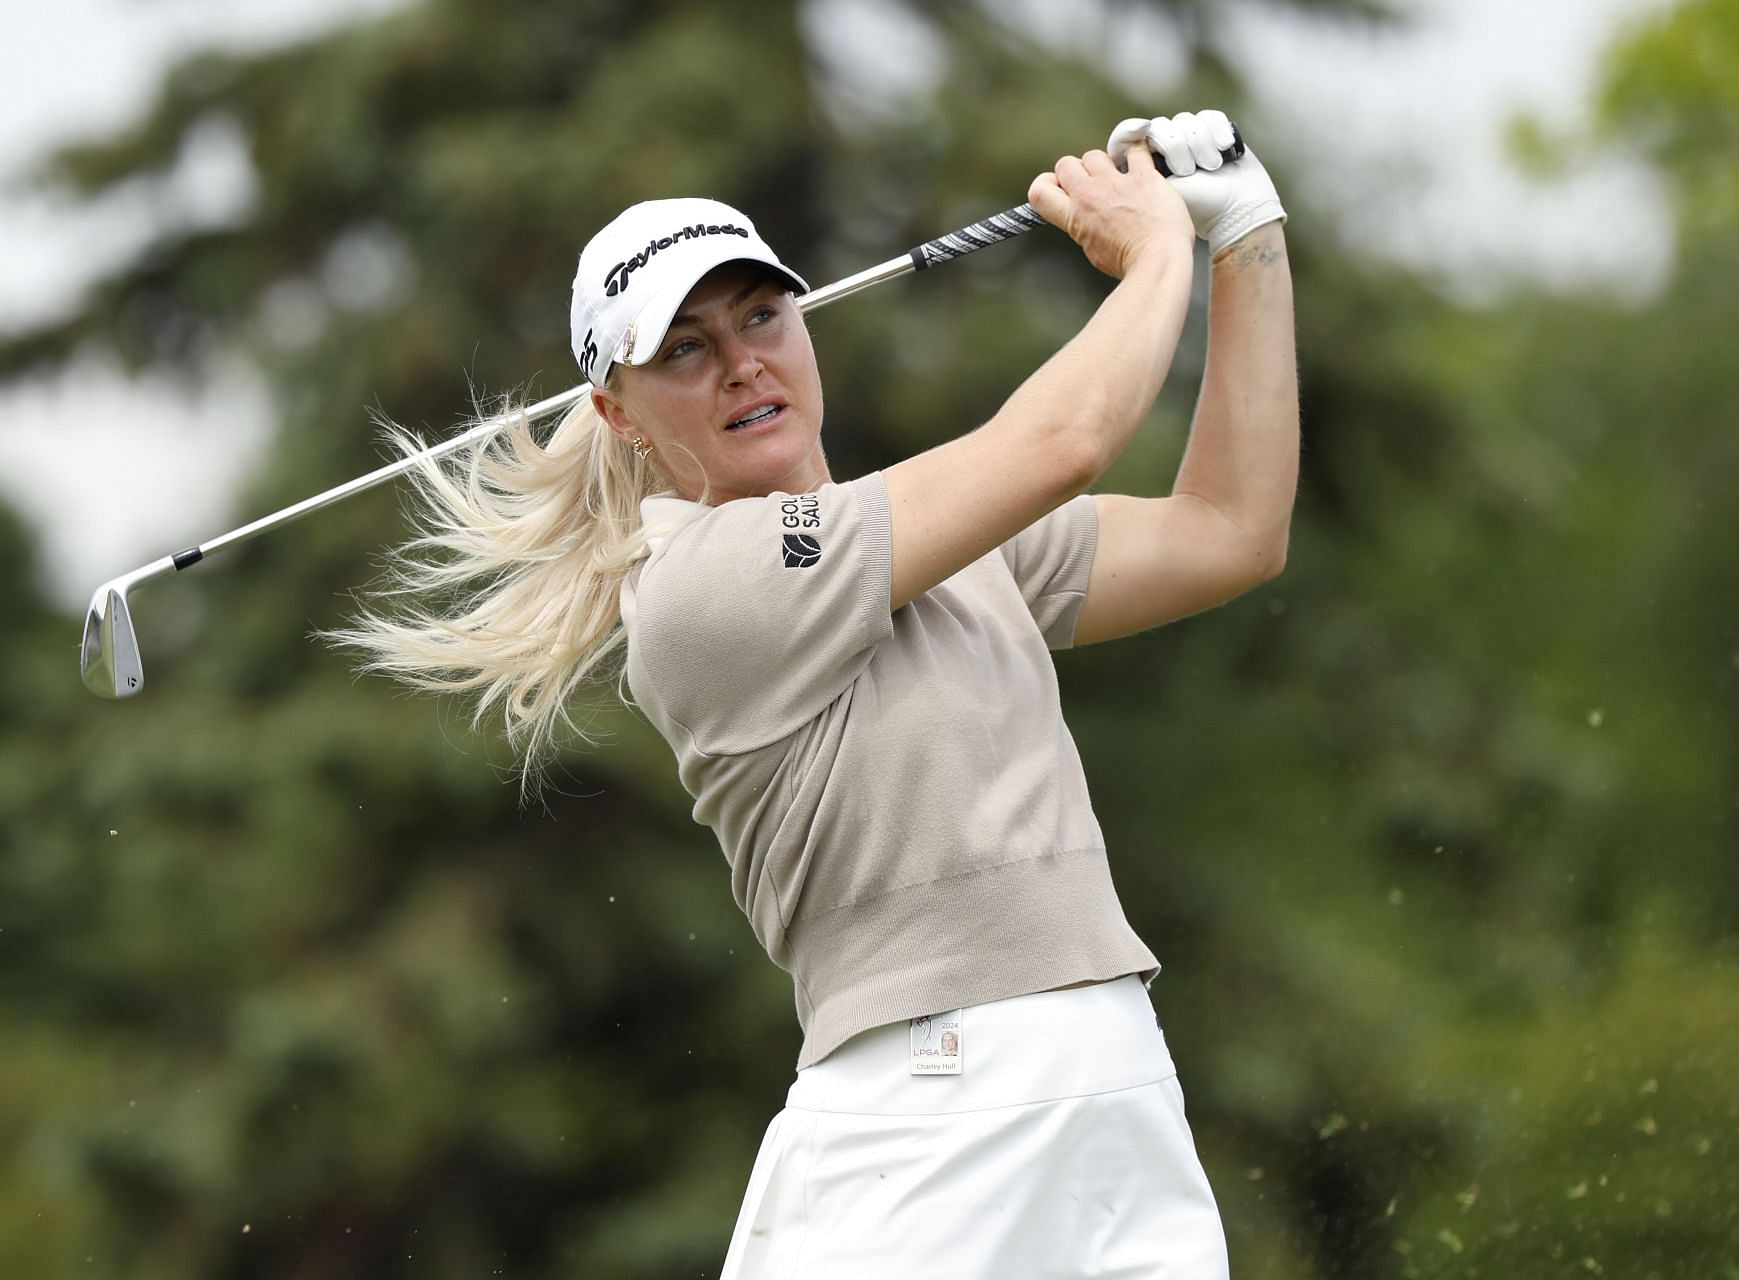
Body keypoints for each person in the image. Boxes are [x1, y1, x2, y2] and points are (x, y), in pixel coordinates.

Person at [334, 108, 1297, 1277]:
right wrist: (1156, 255)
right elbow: (1065, 442)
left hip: (1111, 1078)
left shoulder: (940, 543)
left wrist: (1246, 236)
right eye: (683, 348)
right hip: (929, 1112)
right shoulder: (701, 587)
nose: (742, 362)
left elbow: (1228, 530)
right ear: (617, 413)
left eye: (760, 315)